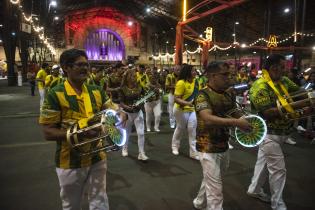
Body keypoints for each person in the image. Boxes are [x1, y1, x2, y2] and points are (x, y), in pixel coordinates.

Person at [39, 48, 127, 210]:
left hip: (98, 157)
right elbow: (48, 132)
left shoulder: (97, 90)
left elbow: (114, 110)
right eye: (80, 65)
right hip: (69, 160)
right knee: (72, 205)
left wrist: (121, 116)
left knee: (100, 199)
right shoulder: (55, 94)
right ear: (66, 67)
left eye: (87, 65)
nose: (85, 68)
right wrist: (78, 134)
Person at [192, 61, 251, 210]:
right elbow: (207, 119)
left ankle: (199, 202)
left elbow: (233, 111)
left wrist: (244, 119)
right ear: (212, 76)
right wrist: (237, 123)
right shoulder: (202, 95)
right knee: (216, 191)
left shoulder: (228, 93)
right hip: (207, 146)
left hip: (223, 144)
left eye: (229, 74)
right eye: (225, 74)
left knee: (214, 179)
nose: (229, 77)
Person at [247, 54, 302, 210]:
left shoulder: (283, 81)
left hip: (283, 132)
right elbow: (268, 113)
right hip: (267, 133)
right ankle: (278, 204)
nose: (285, 70)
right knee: (278, 170)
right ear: (272, 68)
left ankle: (254, 190)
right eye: (282, 67)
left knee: (263, 163)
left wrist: (303, 99)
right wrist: (301, 105)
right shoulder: (260, 85)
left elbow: (298, 92)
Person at [119, 68, 149, 161]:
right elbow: (121, 103)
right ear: (127, 77)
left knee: (141, 133)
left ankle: (141, 153)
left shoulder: (140, 87)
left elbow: (145, 97)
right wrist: (127, 108)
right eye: (132, 76)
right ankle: (125, 148)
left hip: (138, 112)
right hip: (127, 113)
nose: (134, 77)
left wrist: (145, 99)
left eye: (135, 76)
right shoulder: (122, 89)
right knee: (127, 133)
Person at [171, 64, 199, 160]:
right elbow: (176, 99)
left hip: (192, 110)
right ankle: (175, 146)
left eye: (195, 70)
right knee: (180, 127)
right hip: (180, 110)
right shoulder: (181, 83)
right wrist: (188, 103)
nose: (195, 72)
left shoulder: (196, 82)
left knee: (192, 129)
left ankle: (193, 152)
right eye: (193, 71)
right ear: (188, 72)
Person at [144, 68, 162, 132]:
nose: (153, 80)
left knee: (158, 115)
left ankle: (156, 127)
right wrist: (153, 88)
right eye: (152, 78)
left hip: (156, 102)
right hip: (148, 102)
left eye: (155, 78)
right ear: (149, 79)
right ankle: (148, 127)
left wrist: (159, 91)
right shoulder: (146, 85)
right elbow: (146, 94)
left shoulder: (158, 85)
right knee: (148, 116)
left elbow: (161, 92)